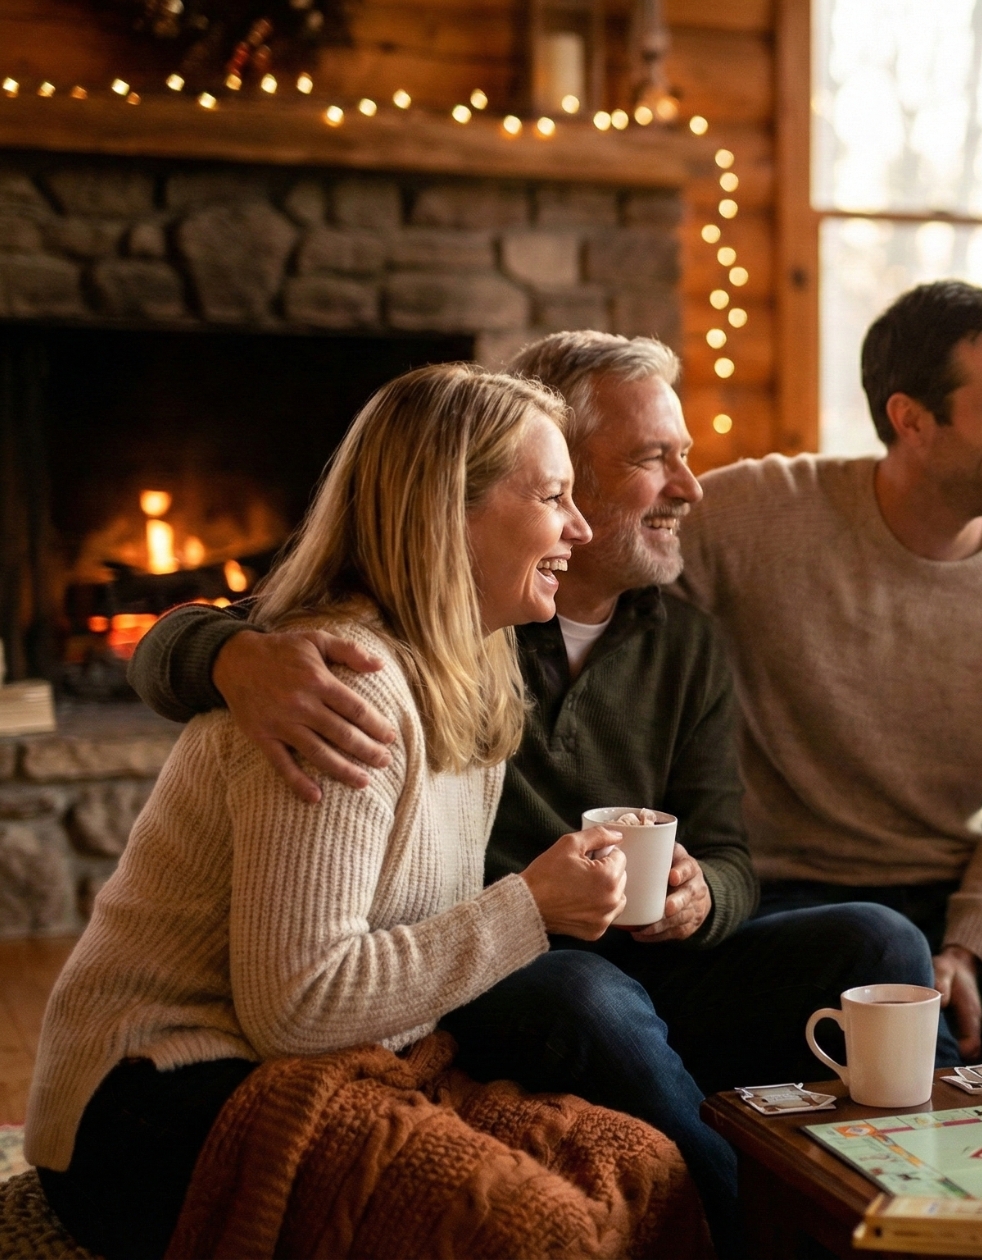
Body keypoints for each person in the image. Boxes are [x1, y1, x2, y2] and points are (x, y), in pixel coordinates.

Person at [127, 334, 941, 1259]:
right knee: (587, 1002)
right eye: (647, 459)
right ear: (556, 474)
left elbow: (729, 853)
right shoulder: (366, 662)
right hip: (510, 966)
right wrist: (229, 656)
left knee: (879, 939)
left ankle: (938, 1194)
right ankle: (764, 1227)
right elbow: (218, 632)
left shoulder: (634, 644)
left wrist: (699, 896)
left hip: (591, 951)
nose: (688, 487)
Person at [28, 365, 626, 1259]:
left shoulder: (470, 675)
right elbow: (299, 1007)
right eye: (553, 496)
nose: (581, 528)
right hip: (152, 1100)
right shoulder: (339, 686)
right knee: (543, 1230)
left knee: (636, 1170)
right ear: (444, 514)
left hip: (330, 1065)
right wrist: (529, 910)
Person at [678, 280, 982, 1061]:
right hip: (784, 890)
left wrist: (969, 945)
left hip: (955, 884)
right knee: (920, 1057)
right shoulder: (753, 516)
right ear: (911, 420)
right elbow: (587, 568)